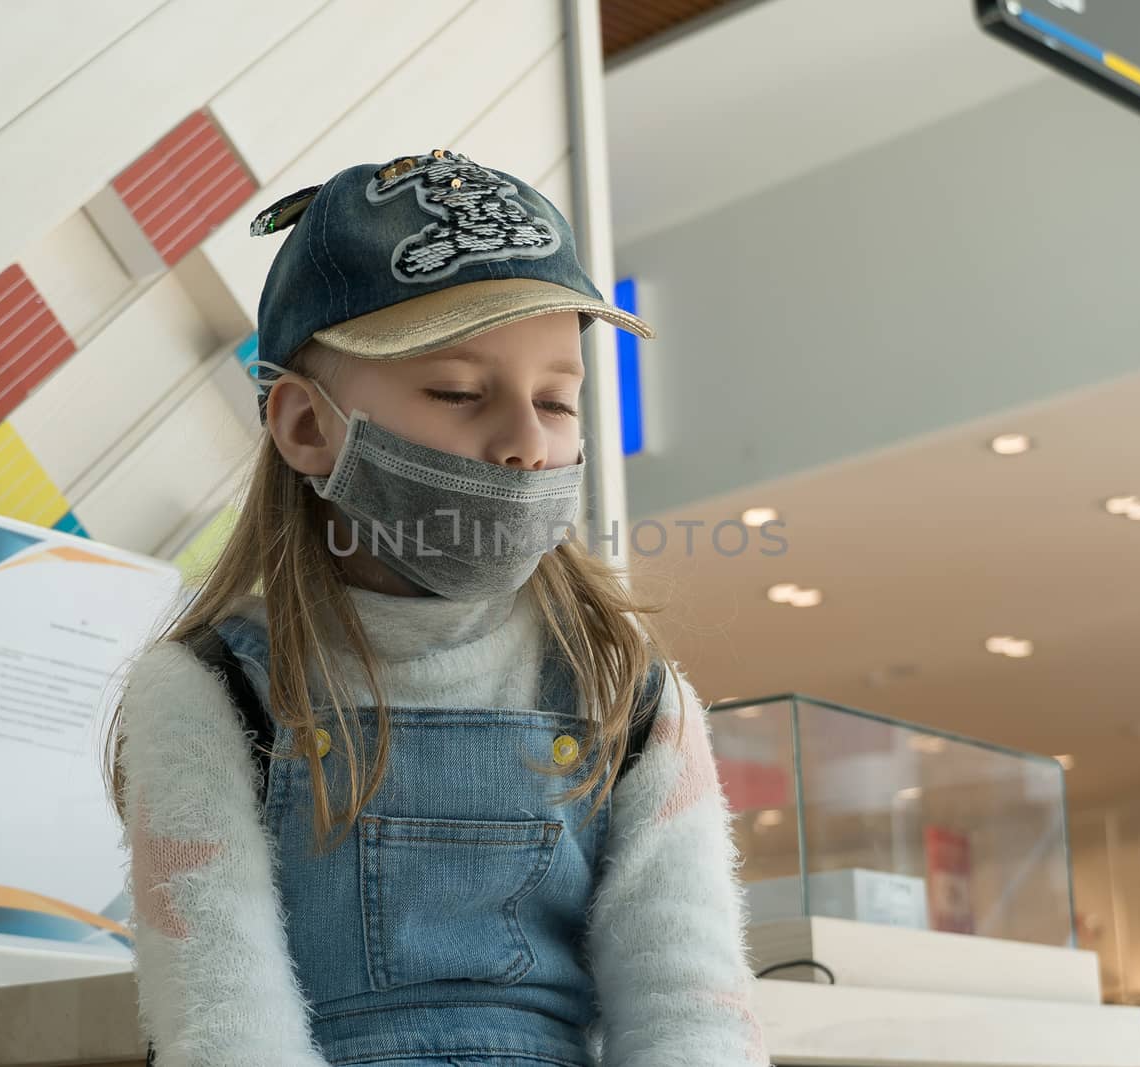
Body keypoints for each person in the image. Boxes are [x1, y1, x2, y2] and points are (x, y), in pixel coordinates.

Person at [105, 149, 768, 1067]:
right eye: (459, 392)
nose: (527, 444)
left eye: (558, 399)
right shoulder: (206, 690)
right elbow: (223, 1026)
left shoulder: (631, 692)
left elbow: (691, 1013)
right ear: (305, 425)